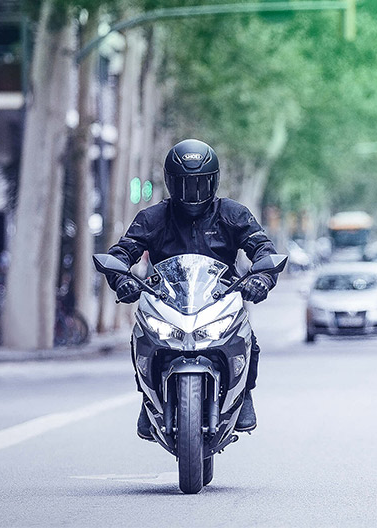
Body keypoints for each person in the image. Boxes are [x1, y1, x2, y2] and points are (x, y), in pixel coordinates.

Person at [100, 138, 280, 438]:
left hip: (220, 299)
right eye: (185, 184)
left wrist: (261, 279)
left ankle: (245, 394)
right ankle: (149, 399)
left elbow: (264, 249)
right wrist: (122, 280)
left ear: (215, 181)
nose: (193, 193)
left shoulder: (233, 214)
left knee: (249, 339)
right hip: (165, 301)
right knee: (141, 338)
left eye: (200, 183)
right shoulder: (152, 218)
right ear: (171, 183)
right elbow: (122, 253)